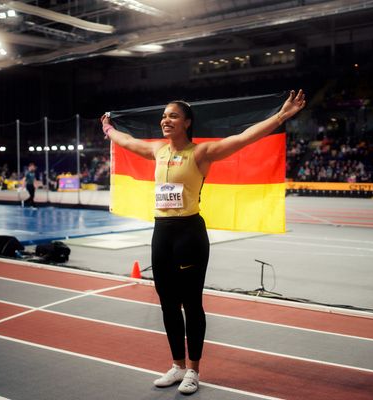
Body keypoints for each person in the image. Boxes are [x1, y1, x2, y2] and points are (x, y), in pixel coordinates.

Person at [100, 90, 306, 394]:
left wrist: (282, 116)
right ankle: (176, 365)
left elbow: (244, 138)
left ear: (187, 122)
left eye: (173, 115)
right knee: (168, 304)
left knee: (191, 304)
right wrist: (108, 129)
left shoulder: (201, 153)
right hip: (162, 233)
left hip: (189, 234)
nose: (165, 120)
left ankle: (193, 371)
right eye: (164, 115)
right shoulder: (158, 151)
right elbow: (128, 142)